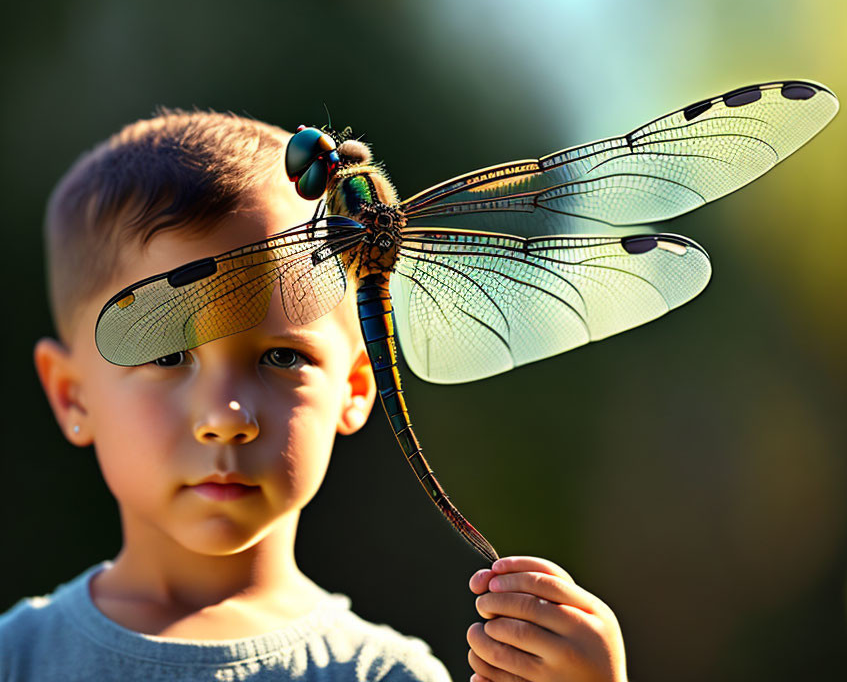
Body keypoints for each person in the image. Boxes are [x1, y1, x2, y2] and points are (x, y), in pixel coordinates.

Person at [0, 109, 628, 681]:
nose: (227, 418)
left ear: (354, 387)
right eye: (168, 355)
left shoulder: (387, 673)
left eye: (282, 357)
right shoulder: (17, 657)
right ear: (72, 396)